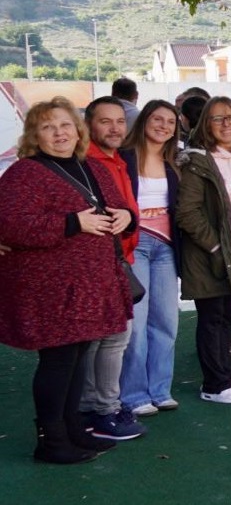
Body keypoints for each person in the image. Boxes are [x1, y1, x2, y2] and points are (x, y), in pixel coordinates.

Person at [0, 97, 135, 464]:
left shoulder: (90, 166)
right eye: (47, 127)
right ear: (34, 135)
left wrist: (125, 217)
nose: (58, 133)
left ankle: (73, 428)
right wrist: (74, 223)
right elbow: (12, 226)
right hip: (49, 288)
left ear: (78, 130)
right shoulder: (24, 173)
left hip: (89, 283)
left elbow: (116, 206)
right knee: (58, 360)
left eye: (64, 125)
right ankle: (51, 440)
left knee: (77, 356)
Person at [176, 96, 231, 403]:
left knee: (225, 318)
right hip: (211, 253)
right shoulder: (198, 160)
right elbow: (188, 212)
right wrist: (214, 246)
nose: (226, 124)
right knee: (212, 318)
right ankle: (214, 385)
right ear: (205, 125)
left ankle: (224, 379)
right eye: (218, 118)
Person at [80, 98, 144, 439]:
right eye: (106, 121)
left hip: (119, 262)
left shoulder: (118, 159)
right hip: (97, 266)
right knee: (104, 339)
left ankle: (101, 407)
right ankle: (98, 410)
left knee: (112, 338)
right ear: (90, 125)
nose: (115, 128)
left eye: (120, 121)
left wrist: (130, 218)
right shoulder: (85, 163)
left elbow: (124, 211)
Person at [120, 100, 182, 417]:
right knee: (136, 322)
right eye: (157, 119)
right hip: (135, 243)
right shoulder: (124, 158)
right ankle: (133, 394)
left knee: (167, 321)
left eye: (170, 121)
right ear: (144, 121)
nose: (163, 125)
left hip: (167, 246)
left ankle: (160, 389)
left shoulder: (175, 162)